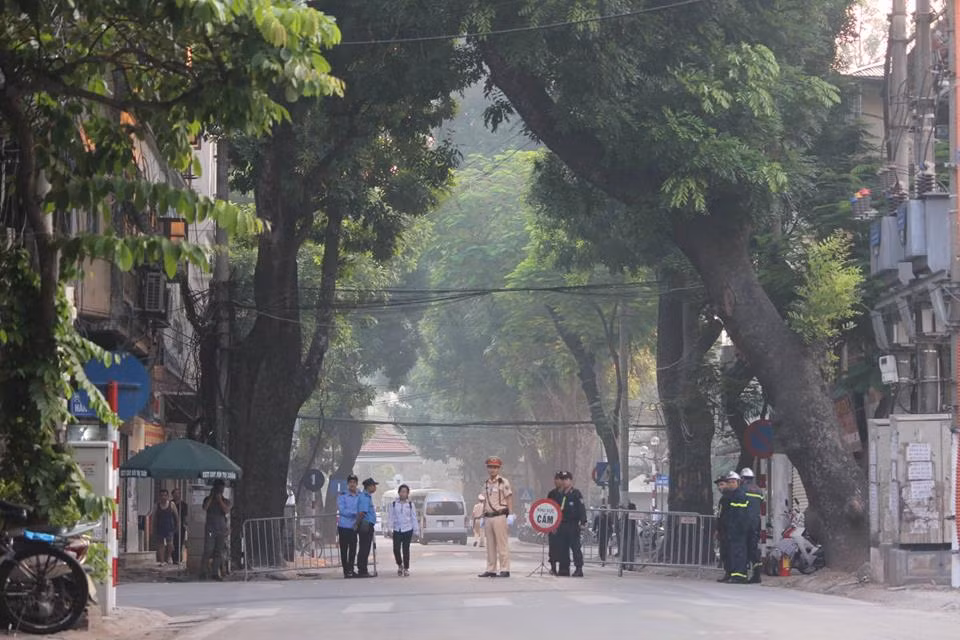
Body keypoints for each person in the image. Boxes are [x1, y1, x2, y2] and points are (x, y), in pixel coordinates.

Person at [478, 456, 513, 578]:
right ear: (487, 468)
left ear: (499, 469)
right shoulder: (486, 484)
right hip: (488, 517)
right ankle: (491, 569)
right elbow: (484, 500)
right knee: (490, 545)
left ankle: (505, 569)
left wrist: (511, 514)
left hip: (500, 515)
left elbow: (509, 498)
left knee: (502, 544)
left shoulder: (503, 482)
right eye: (490, 467)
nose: (492, 469)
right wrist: (483, 515)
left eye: (495, 467)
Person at [716, 471, 750, 584]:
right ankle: (731, 573)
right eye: (729, 482)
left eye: (732, 482)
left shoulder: (739, 495)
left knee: (738, 552)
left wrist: (736, 528)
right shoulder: (730, 496)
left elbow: (739, 514)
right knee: (728, 552)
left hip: (737, 530)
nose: (730, 484)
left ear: (738, 482)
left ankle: (739, 575)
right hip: (729, 529)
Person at [556, 471, 587, 577]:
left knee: (575, 547)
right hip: (562, 524)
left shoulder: (576, 493)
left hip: (573, 524)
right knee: (563, 547)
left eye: (566, 479)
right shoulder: (560, 494)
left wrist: (583, 521)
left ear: (570, 480)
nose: (564, 482)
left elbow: (581, 508)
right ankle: (564, 568)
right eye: (562, 479)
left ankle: (579, 568)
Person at [739, 467, 765, 584]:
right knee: (753, 549)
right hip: (756, 523)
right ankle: (757, 574)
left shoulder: (742, 489)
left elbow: (738, 507)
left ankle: (742, 574)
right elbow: (761, 504)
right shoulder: (759, 491)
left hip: (744, 523)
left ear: (743, 478)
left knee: (743, 548)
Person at [201, 480, 230, 580]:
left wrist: (219, 500)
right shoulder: (207, 499)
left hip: (221, 529)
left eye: (221, 489)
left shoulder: (225, 500)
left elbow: (226, 510)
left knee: (218, 551)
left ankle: (215, 572)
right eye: (218, 489)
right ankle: (203, 571)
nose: (220, 491)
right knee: (208, 550)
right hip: (210, 529)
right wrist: (211, 497)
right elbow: (205, 508)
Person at [388, 484, 419, 576]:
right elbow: (391, 517)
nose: (403, 493)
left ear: (407, 494)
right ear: (399, 493)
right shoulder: (394, 504)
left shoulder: (410, 505)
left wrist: (416, 530)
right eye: (401, 491)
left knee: (406, 549)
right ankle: (399, 564)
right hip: (397, 529)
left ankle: (406, 568)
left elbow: (413, 517)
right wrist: (389, 528)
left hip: (408, 529)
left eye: (405, 492)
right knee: (396, 549)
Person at [337, 474, 362, 578]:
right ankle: (345, 571)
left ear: (356, 484)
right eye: (350, 482)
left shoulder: (360, 496)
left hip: (354, 526)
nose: (352, 484)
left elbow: (361, 508)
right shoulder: (342, 496)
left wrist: (358, 514)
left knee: (352, 549)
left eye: (354, 482)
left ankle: (351, 569)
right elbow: (342, 510)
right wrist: (355, 513)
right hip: (343, 526)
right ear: (348, 484)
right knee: (344, 549)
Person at [355, 477, 378, 577]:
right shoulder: (364, 497)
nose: (375, 488)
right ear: (368, 486)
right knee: (364, 548)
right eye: (373, 486)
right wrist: (357, 524)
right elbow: (362, 513)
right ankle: (362, 570)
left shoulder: (367, 496)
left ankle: (363, 569)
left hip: (367, 524)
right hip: (366, 524)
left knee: (365, 547)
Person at [151, 488, 180, 565]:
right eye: (161, 495)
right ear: (159, 496)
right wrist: (153, 528)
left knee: (170, 544)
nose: (163, 497)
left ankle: (169, 557)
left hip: (170, 527)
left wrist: (177, 526)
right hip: (160, 527)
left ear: (167, 496)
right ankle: (162, 561)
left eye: (165, 495)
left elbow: (176, 516)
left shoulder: (171, 504)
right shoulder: (156, 505)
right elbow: (154, 518)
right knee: (161, 545)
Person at [546, 472, 564, 575]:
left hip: (564, 524)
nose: (556, 481)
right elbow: (547, 508)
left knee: (563, 547)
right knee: (553, 547)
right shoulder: (552, 494)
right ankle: (553, 567)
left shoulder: (567, 493)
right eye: (555, 479)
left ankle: (563, 568)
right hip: (553, 524)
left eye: (558, 479)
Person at [171, 488, 188, 564]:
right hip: (171, 525)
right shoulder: (170, 503)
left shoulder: (183, 505)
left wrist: (185, 525)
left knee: (179, 542)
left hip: (181, 526)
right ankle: (173, 558)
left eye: (178, 493)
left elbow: (185, 516)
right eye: (175, 493)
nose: (177, 495)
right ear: (173, 495)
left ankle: (178, 558)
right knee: (172, 542)